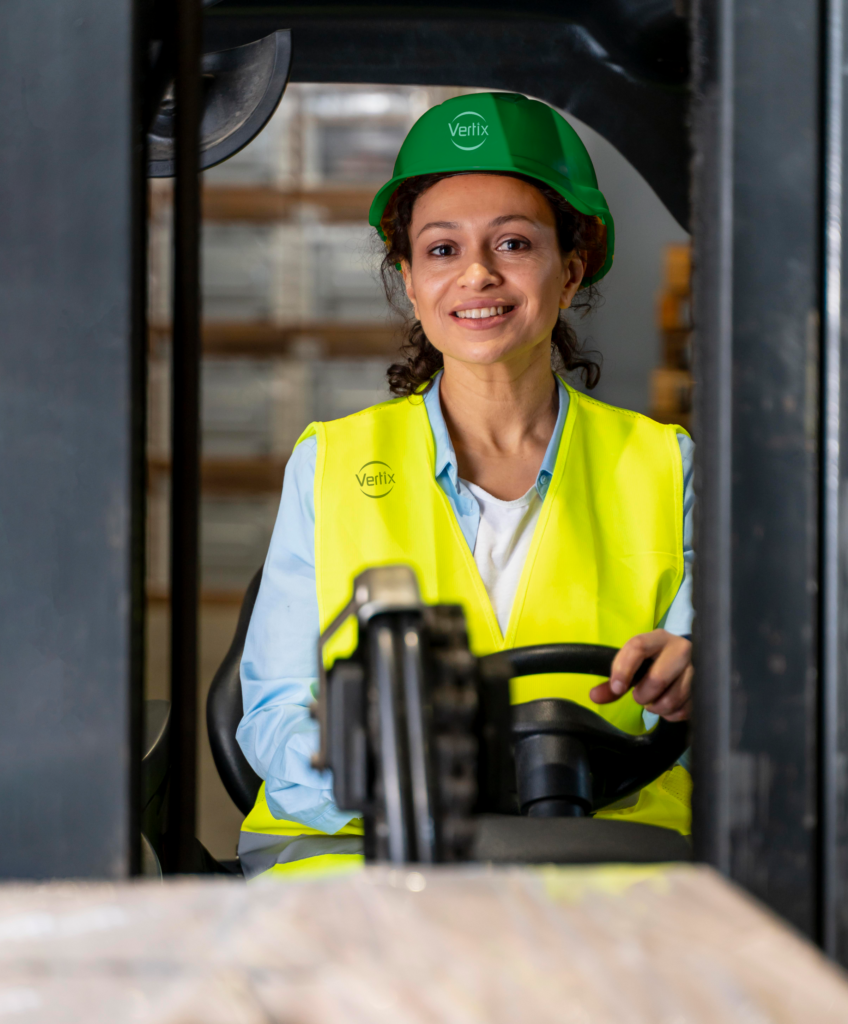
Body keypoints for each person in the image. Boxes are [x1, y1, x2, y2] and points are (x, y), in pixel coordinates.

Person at [235, 93, 694, 881]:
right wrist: (372, 775)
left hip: (608, 848)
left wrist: (692, 674)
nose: (477, 273)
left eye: (513, 243)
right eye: (441, 250)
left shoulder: (665, 463)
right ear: (410, 283)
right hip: (362, 849)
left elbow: (712, 680)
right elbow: (277, 708)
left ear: (571, 268)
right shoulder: (332, 462)